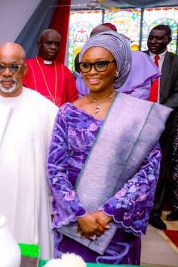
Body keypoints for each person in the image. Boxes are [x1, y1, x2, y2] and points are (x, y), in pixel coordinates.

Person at [47, 31, 171, 264]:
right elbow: (55, 168)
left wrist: (107, 213)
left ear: (118, 67)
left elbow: (149, 171)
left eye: (101, 64)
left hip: (116, 226)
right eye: (85, 65)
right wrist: (78, 213)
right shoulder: (67, 112)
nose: (91, 72)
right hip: (74, 223)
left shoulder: (137, 114)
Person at [0, 42, 58, 259]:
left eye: (14, 67)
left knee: (25, 252)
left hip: (30, 199)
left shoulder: (46, 110)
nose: (7, 73)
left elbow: (56, 165)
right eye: (0, 67)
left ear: (24, 69)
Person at [143, 24, 178, 228]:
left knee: (158, 167)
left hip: (164, 123)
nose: (154, 42)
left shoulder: (175, 62)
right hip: (137, 122)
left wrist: (159, 111)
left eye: (159, 38)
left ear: (168, 40)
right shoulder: (138, 58)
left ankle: (154, 212)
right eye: (151, 38)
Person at [75, 23, 161, 100]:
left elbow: (141, 95)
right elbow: (82, 94)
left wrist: (109, 106)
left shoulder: (139, 58)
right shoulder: (85, 59)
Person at [23, 29, 78, 106]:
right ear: (39, 44)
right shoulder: (25, 67)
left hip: (58, 117)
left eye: (57, 44)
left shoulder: (65, 71)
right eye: (49, 43)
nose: (53, 47)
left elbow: (73, 101)